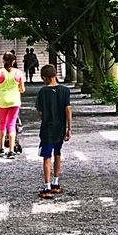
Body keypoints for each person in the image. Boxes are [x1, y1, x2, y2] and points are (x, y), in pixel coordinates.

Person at [35, 63, 72, 199]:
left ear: (45, 78)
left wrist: (45, 117)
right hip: (60, 127)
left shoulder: (43, 92)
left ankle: (47, 186)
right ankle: (56, 183)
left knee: (46, 157)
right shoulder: (65, 91)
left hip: (47, 128)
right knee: (57, 154)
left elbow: (40, 111)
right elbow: (68, 109)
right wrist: (69, 128)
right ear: (55, 75)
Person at [0, 51, 24, 158]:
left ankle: (1, 148)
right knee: (12, 125)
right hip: (14, 101)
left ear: (3, 60)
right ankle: (10, 150)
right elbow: (22, 89)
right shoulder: (18, 73)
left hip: (3, 100)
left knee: (2, 124)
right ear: (14, 61)